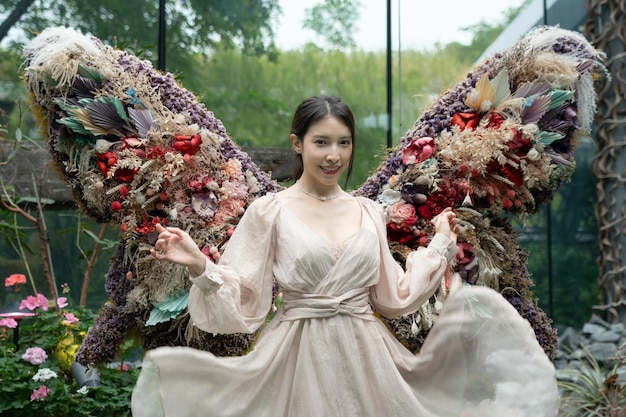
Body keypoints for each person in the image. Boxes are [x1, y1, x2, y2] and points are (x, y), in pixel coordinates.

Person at [131, 95, 558, 417]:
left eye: (343, 143)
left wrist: (440, 245)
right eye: (321, 142)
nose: (333, 155)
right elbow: (245, 303)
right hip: (296, 357)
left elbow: (394, 298)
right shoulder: (270, 211)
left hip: (368, 359)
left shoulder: (368, 212)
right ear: (297, 144)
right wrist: (200, 265)